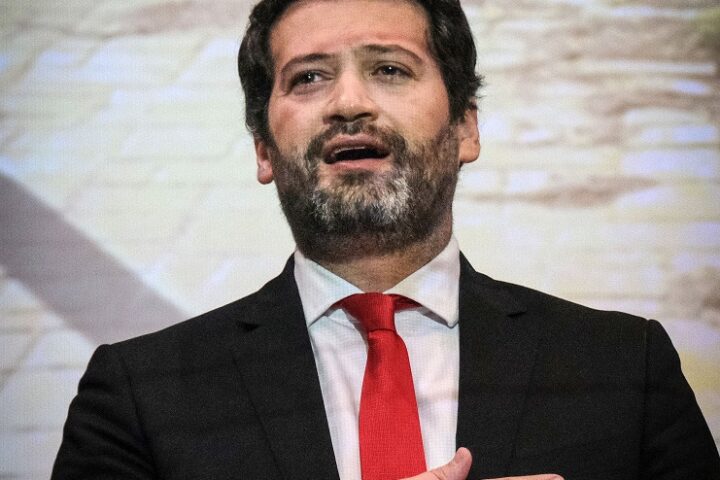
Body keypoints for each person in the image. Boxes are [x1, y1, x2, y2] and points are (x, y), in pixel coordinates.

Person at [52, 0, 720, 479]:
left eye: (390, 70)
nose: (348, 102)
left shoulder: (624, 367)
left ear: (465, 128)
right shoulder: (138, 395)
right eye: (308, 77)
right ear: (263, 149)